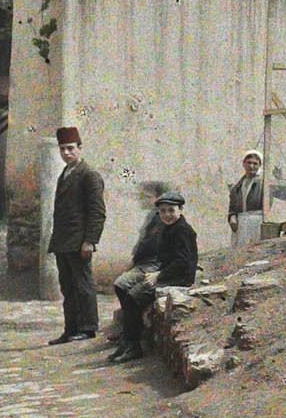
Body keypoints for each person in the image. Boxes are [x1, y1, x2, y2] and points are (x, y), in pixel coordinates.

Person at [110, 191, 198, 363]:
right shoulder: (169, 228)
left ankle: (134, 346)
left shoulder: (183, 230)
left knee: (135, 296)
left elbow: (183, 262)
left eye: (171, 210)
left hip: (179, 278)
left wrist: (159, 275)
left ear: (180, 210)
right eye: (163, 211)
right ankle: (128, 340)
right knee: (127, 291)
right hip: (168, 273)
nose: (167, 215)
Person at [47, 125, 105, 344]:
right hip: (63, 241)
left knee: (83, 285)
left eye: (70, 148)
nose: (66, 153)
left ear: (80, 148)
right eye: (62, 149)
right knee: (68, 287)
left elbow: (97, 212)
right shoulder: (65, 173)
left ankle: (88, 327)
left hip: (79, 241)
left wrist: (90, 241)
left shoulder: (89, 175)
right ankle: (71, 328)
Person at [110, 180, 171, 347]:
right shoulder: (152, 215)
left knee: (128, 289)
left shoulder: (161, 217)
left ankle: (131, 335)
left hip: (154, 264)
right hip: (145, 262)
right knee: (121, 284)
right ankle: (128, 329)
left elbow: (151, 246)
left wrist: (134, 261)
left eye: (147, 196)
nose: (142, 199)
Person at [228, 148, 265, 255]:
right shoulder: (238, 185)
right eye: (249, 163)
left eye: (255, 164)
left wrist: (279, 178)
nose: (251, 166)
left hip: (256, 220)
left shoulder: (263, 183)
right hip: (241, 222)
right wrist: (232, 216)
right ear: (243, 164)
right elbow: (232, 207)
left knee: (254, 250)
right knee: (239, 252)